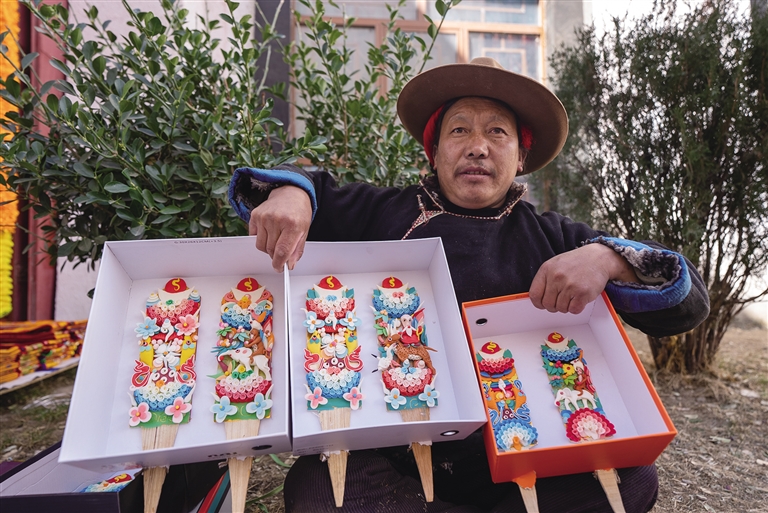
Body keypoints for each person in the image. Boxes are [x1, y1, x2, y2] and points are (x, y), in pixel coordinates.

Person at [228, 57, 709, 512]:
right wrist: (293, 194)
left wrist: (608, 258)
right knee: (318, 486)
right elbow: (306, 184)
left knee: (631, 479)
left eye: (497, 132)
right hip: (396, 462)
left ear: (521, 156)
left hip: (527, 463)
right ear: (434, 152)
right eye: (459, 130)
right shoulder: (381, 212)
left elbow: (688, 302)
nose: (477, 146)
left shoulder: (556, 240)